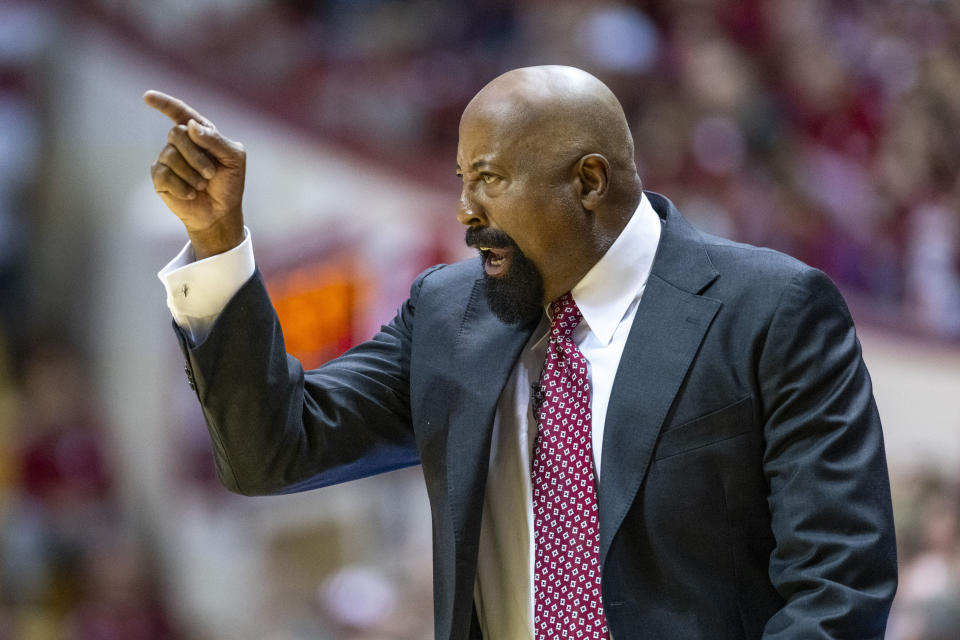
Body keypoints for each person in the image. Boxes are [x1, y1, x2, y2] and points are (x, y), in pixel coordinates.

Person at [146, 66, 897, 639]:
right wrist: (218, 246)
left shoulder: (769, 309)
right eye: (464, 180)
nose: (467, 211)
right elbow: (271, 449)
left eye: (490, 180)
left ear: (589, 181)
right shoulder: (447, 313)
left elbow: (839, 582)